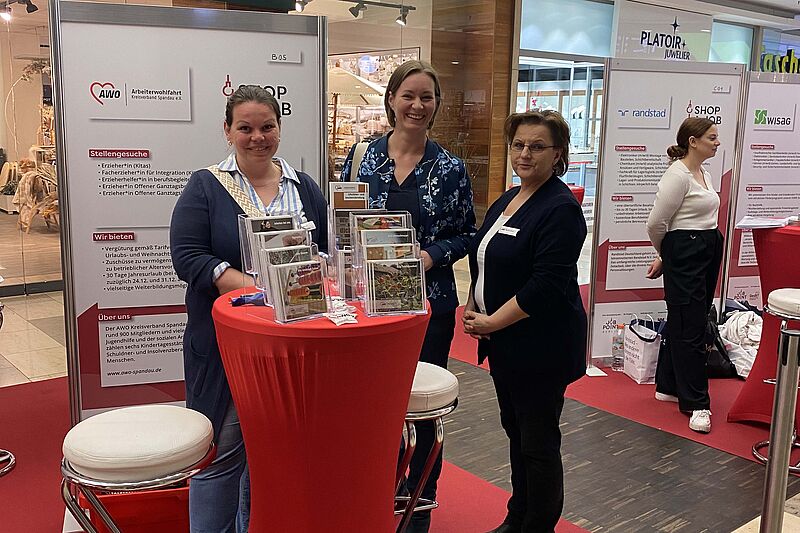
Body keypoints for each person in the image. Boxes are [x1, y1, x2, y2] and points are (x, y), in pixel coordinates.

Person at [170, 85, 328, 532]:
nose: (258, 137)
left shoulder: (304, 186)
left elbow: (323, 252)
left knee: (273, 459)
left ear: (279, 128)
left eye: (267, 127)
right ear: (227, 130)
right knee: (221, 456)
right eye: (245, 128)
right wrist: (257, 286)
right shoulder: (206, 186)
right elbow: (187, 256)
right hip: (226, 348)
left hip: (291, 346)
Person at [341, 60, 476, 533]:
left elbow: (468, 233)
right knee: (373, 408)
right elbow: (342, 225)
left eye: (426, 97)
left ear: (436, 105)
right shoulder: (361, 157)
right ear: (391, 100)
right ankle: (372, 504)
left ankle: (417, 510)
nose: (417, 106)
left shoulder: (451, 168)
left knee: (421, 408)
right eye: (408, 96)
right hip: (368, 309)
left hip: (428, 307)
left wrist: (430, 256)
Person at [462, 110, 587, 533]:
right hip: (505, 343)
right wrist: (473, 302)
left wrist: (493, 321)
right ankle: (518, 516)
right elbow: (484, 256)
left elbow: (545, 285)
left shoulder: (560, 209)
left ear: (558, 154)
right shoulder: (510, 197)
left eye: (537, 146)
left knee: (537, 442)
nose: (525, 154)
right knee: (516, 430)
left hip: (540, 346)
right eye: (518, 145)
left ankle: (537, 524)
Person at [646, 117, 723, 434]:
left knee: (689, 319)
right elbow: (656, 224)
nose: (717, 142)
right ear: (693, 141)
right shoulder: (677, 176)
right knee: (690, 326)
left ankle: (668, 384)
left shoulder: (703, 172)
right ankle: (697, 403)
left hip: (707, 245)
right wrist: (667, 255)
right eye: (711, 137)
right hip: (686, 249)